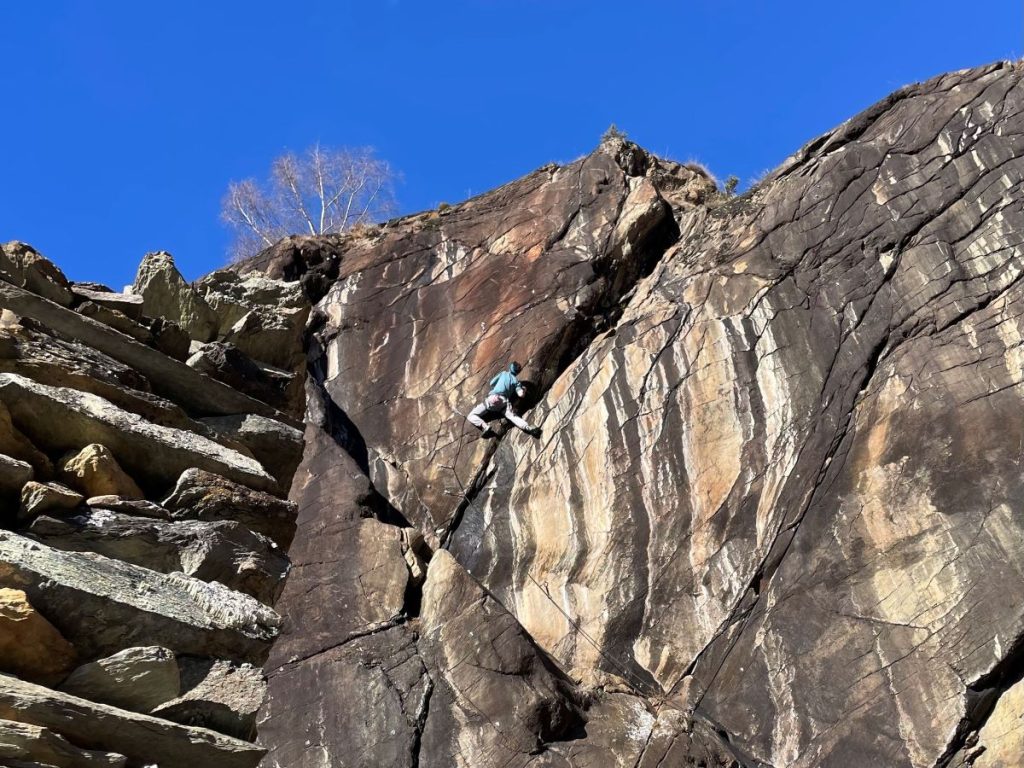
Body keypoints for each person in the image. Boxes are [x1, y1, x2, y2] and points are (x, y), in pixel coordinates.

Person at [467, 361, 542, 438]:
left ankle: (485, 427)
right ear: (517, 372)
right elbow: (521, 395)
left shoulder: (503, 374)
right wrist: (524, 389)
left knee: (471, 416)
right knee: (512, 417)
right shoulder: (516, 382)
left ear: (510, 367)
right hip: (504, 403)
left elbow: (491, 383)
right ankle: (530, 428)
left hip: (492, 399)